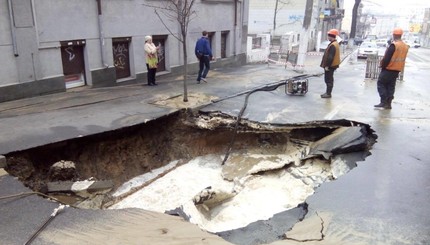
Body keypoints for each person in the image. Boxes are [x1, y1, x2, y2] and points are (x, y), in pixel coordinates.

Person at [374, 27, 409, 109]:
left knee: (381, 83)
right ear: (401, 35)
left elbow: (387, 58)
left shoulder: (394, 45)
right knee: (391, 86)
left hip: (388, 69)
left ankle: (384, 101)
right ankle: (388, 103)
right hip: (397, 70)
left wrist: (383, 66)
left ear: (394, 35)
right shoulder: (405, 46)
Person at [320, 29, 341, 98]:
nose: (328, 37)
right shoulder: (335, 43)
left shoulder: (333, 45)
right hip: (332, 65)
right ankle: (328, 92)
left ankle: (328, 93)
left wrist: (327, 66)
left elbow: (330, 57)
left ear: (331, 36)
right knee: (329, 79)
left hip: (330, 66)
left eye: (328, 36)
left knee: (328, 79)